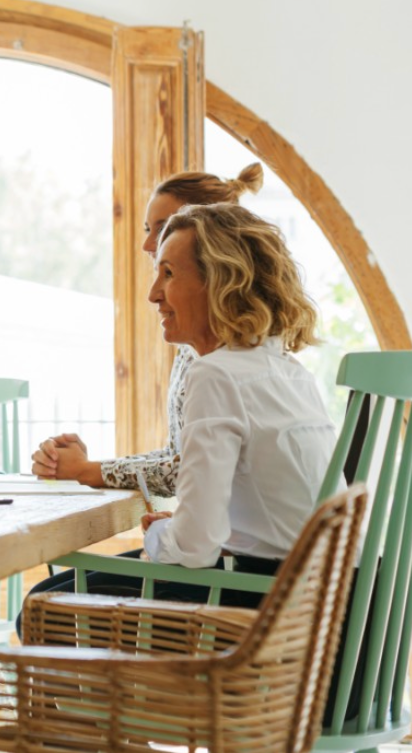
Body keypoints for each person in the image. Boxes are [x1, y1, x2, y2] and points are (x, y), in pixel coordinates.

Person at [33, 202, 333, 605]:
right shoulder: (290, 372)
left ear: (221, 281)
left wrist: (159, 535)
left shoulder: (216, 374)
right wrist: (188, 529)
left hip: (274, 611)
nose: (153, 293)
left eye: (169, 274)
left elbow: (195, 550)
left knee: (48, 605)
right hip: (335, 608)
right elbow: (273, 509)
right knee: (58, 591)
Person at [31, 163, 264, 496]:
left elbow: (182, 472)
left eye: (164, 228)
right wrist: (90, 467)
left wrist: (88, 470)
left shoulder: (224, 361)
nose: (147, 245)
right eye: (148, 229)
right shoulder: (199, 346)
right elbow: (179, 459)